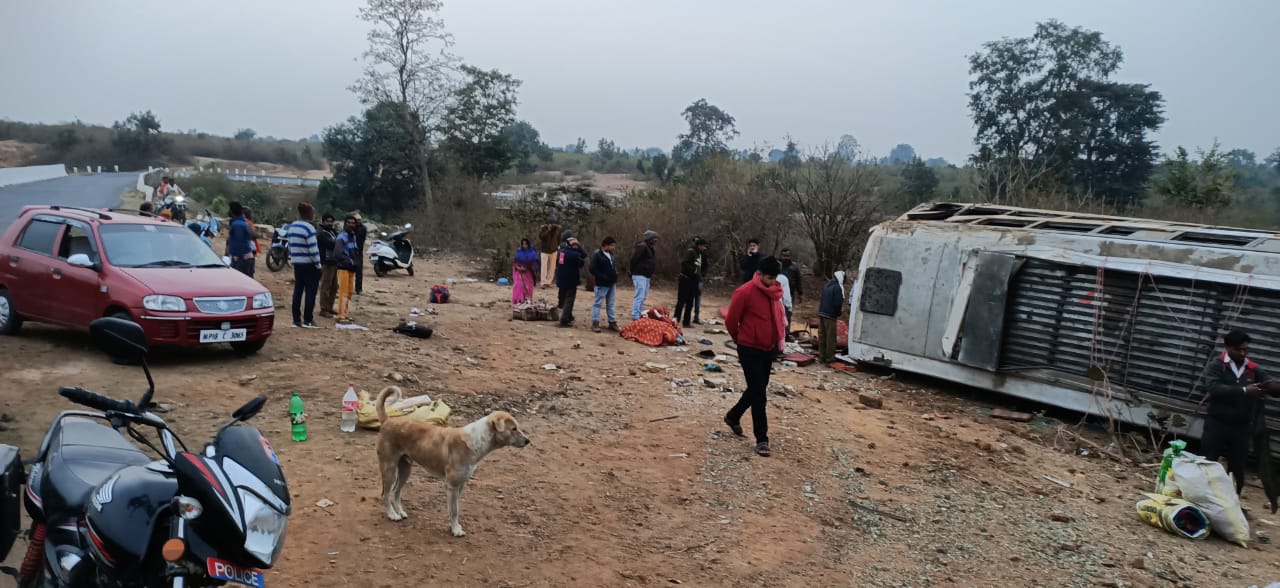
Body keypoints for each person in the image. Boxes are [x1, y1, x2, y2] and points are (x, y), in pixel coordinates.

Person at [724, 256, 787, 457]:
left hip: (768, 348)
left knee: (756, 388)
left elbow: (778, 318)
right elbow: (731, 319)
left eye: (774, 278)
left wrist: (778, 343)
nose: (771, 282)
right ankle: (762, 439)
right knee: (759, 394)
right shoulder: (744, 292)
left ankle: (733, 416)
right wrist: (739, 338)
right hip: (749, 348)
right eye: (768, 277)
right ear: (758, 274)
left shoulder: (775, 293)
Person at [1203, 330, 1276, 495]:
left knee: (1237, 466)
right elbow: (1214, 387)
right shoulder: (1217, 365)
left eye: (1245, 349)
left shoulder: (1252, 368)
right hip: (1217, 423)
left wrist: (1271, 387)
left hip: (1241, 427)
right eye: (1238, 349)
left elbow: (1268, 383)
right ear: (1227, 347)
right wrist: (1244, 390)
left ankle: (1233, 501)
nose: (1243, 353)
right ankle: (1203, 497)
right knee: (1208, 460)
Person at [286, 202, 323, 329]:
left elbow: (289, 246)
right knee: (310, 292)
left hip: (297, 263)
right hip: (310, 265)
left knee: (298, 291)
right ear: (308, 213)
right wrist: (318, 264)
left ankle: (296, 320)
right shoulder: (309, 228)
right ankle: (308, 320)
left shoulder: (292, 227)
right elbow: (313, 249)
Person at [333, 215, 361, 324]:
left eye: (353, 223)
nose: (351, 224)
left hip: (351, 268)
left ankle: (346, 313)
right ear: (345, 223)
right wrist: (349, 261)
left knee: (349, 292)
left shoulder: (352, 236)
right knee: (343, 292)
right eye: (349, 222)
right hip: (344, 267)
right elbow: (338, 253)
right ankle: (340, 315)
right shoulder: (342, 237)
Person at [675, 238, 708, 328]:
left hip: (694, 281)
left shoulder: (701, 254)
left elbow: (703, 266)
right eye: (704, 246)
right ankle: (676, 320)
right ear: (699, 245)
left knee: (690, 302)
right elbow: (684, 263)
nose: (705, 248)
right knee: (681, 300)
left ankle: (686, 321)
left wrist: (701, 275)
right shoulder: (691, 252)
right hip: (686, 279)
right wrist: (693, 271)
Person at [589, 237, 620, 333]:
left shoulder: (611, 255)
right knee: (598, 303)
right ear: (605, 245)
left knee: (610, 304)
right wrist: (602, 276)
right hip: (602, 283)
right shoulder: (597, 255)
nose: (613, 248)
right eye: (612, 245)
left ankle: (612, 322)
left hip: (612, 282)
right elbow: (592, 269)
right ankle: (595, 323)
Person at [555, 233, 585, 328]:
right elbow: (583, 258)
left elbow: (557, 264)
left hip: (561, 279)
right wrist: (579, 246)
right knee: (569, 300)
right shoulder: (575, 255)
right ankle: (564, 320)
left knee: (563, 299)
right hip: (571, 280)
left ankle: (568, 316)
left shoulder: (561, 252)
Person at [818, 271, 847, 364]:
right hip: (830, 315)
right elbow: (837, 303)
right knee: (830, 338)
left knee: (822, 337)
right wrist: (838, 313)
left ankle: (822, 357)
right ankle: (829, 358)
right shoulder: (837, 288)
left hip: (822, 313)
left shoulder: (827, 286)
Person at [630, 230, 658, 320]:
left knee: (644, 296)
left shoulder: (650, 248)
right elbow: (634, 259)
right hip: (639, 274)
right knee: (640, 295)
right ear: (649, 238)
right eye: (654, 238)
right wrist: (632, 271)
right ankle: (635, 315)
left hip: (646, 275)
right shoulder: (642, 247)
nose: (655, 240)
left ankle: (639, 313)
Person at [317, 213, 339, 317]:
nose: (330, 223)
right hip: (326, 262)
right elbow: (332, 243)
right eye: (328, 221)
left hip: (334, 262)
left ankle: (329, 307)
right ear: (323, 221)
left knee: (334, 286)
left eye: (331, 221)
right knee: (326, 286)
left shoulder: (332, 231)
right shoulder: (322, 233)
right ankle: (323, 309)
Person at [226, 201, 255, 277]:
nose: (228, 211)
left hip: (241, 260)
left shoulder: (237, 225)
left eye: (229, 209)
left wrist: (236, 258)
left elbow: (239, 243)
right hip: (245, 259)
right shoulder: (241, 222)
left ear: (232, 211)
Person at [512, 238, 539, 305]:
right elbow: (515, 262)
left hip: (528, 273)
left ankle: (527, 300)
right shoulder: (519, 251)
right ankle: (518, 300)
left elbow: (534, 264)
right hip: (519, 273)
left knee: (528, 286)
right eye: (523, 244)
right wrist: (518, 267)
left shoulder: (532, 253)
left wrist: (526, 268)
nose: (524, 245)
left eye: (526, 244)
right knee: (518, 285)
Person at [538, 217, 562, 288]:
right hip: (544, 250)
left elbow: (559, 239)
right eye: (551, 224)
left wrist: (558, 246)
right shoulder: (543, 229)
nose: (552, 225)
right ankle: (543, 282)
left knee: (552, 267)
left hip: (554, 250)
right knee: (544, 267)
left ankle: (548, 282)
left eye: (554, 224)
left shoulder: (558, 230)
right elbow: (541, 237)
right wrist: (548, 230)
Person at [693, 236, 709, 324]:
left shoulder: (704, 254)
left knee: (698, 297)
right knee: (691, 297)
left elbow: (706, 265)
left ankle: (696, 317)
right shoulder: (691, 252)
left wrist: (703, 274)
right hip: (692, 278)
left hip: (699, 278)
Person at [353, 211, 368, 295]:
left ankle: (358, 288)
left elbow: (362, 239)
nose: (358, 221)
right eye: (357, 220)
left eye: (359, 220)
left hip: (359, 251)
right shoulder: (351, 227)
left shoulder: (363, 228)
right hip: (351, 251)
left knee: (359, 271)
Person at [777, 271, 793, 340]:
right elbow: (786, 296)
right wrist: (789, 307)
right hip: (781, 306)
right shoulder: (783, 278)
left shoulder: (761, 277)